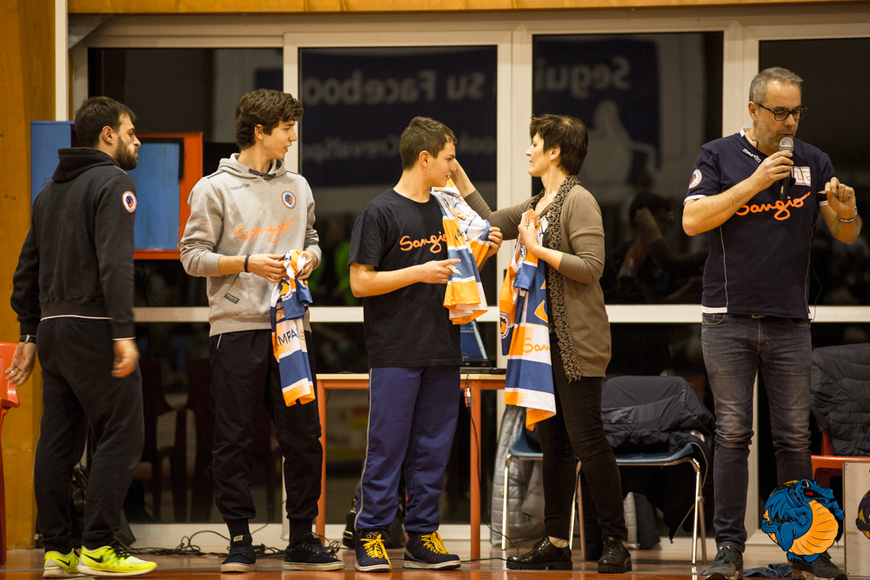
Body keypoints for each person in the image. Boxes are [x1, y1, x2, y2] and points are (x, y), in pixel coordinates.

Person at [682, 67, 860, 580]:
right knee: (733, 434)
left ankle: (804, 548)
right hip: (728, 319)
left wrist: (848, 214)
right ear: (753, 110)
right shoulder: (717, 155)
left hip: (790, 322)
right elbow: (692, 220)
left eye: (796, 112)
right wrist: (756, 182)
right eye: (779, 112)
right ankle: (729, 549)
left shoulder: (814, 161)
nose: (789, 123)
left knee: (793, 439)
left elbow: (845, 234)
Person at [451, 114, 631, 573]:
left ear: (555, 152)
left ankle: (616, 541)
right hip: (540, 345)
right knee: (555, 444)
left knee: (587, 440)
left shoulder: (579, 200)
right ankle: (555, 543)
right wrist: (456, 173)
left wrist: (537, 248)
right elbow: (489, 220)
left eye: (535, 143)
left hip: (577, 343)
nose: (528, 151)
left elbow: (591, 267)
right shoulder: (538, 203)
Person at [179, 88, 342, 573]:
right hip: (236, 329)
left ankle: (302, 537)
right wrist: (248, 262)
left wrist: (310, 258)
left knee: (304, 437)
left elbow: (312, 239)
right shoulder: (213, 188)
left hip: (291, 330)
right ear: (260, 131)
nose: (293, 137)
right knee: (234, 437)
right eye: (286, 129)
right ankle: (239, 539)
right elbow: (191, 257)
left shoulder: (299, 186)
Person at [6, 96, 157, 577]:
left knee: (58, 439)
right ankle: (98, 546)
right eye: (130, 132)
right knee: (123, 432)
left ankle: (57, 551)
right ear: (107, 135)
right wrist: (123, 332)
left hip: (52, 331)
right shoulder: (115, 182)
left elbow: (25, 272)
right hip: (93, 327)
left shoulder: (49, 192)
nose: (138, 141)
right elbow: (115, 264)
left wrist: (29, 333)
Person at [347, 116, 502, 572]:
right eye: (450, 159)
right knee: (388, 446)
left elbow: (457, 273)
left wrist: (483, 251)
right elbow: (360, 283)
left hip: (444, 346)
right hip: (395, 348)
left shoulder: (448, 209)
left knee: (434, 449)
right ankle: (370, 534)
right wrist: (418, 272)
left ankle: (422, 535)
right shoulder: (379, 212)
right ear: (424, 158)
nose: (454, 168)